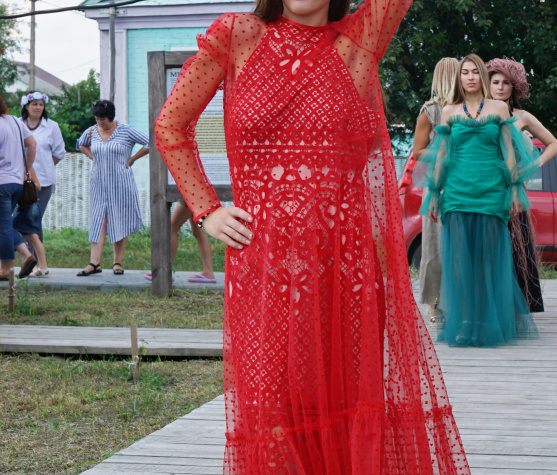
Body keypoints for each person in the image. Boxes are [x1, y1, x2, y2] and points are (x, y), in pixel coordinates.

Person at [154, 0, 469, 473]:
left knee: (344, 409)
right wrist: (206, 210)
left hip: (345, 274)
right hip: (262, 269)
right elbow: (171, 126)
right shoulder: (238, 35)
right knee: (273, 416)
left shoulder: (359, 39)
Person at [419, 53, 540, 348]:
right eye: (465, 72)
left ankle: (487, 324)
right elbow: (442, 154)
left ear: (481, 77)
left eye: (475, 72)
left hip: (491, 194)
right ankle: (464, 324)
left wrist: (514, 188)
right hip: (457, 194)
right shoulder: (448, 111)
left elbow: (508, 152)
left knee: (488, 262)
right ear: (459, 78)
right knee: (459, 264)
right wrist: (434, 192)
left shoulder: (499, 108)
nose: (470, 77)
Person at [487, 57, 557, 312]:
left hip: (512, 191)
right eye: (495, 82)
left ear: (514, 86)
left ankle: (519, 305)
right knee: (489, 249)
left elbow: (553, 144)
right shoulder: (479, 114)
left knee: (517, 248)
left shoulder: (522, 116)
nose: (500, 87)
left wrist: (532, 166)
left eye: (506, 83)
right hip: (485, 189)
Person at [76, 100, 149, 276]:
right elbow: (80, 144)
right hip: (98, 183)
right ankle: (94, 263)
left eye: (102, 119)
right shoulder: (92, 131)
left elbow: (150, 142)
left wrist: (132, 159)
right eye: (97, 118)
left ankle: (117, 262)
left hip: (121, 183)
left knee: (119, 219)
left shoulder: (126, 130)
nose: (100, 122)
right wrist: (92, 156)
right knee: (98, 220)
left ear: (111, 117)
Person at [412, 57, 459, 328]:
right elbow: (418, 151)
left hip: (466, 184)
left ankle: (458, 302)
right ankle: (434, 303)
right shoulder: (430, 111)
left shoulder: (470, 109)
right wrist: (444, 154)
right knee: (435, 247)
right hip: (438, 187)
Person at [13, 91, 66, 277]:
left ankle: (34, 264)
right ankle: (35, 263)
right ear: (26, 106)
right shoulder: (16, 124)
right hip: (18, 180)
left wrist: (44, 167)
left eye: (41, 104)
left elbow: (59, 152)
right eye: (34, 104)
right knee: (27, 223)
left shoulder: (52, 126)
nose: (38, 107)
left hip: (42, 182)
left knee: (33, 222)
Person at [0, 95, 39, 281]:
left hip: (1, 183)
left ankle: (6, 268)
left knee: (3, 226)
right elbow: (32, 144)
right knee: (4, 223)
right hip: (17, 182)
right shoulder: (15, 121)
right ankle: (26, 255)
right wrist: (26, 169)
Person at [143, 200, 217, 283]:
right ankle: (208, 272)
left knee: (171, 227)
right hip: (200, 196)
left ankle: (164, 271)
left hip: (192, 195)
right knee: (199, 233)